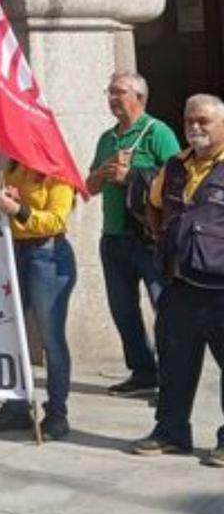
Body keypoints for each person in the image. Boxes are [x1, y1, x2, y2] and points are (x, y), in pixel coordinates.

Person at [130, 94, 224, 467]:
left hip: (221, 289)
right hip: (179, 285)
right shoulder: (175, 165)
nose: (195, 128)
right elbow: (154, 206)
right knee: (174, 365)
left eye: (204, 121)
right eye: (189, 121)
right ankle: (170, 433)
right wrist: (166, 241)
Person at [87, 72, 180, 397]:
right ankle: (142, 373)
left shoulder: (158, 132)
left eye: (118, 92)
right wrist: (103, 170)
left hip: (148, 239)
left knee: (164, 308)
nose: (112, 98)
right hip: (112, 238)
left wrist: (131, 177)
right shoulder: (107, 139)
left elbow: (177, 184)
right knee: (123, 310)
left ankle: (173, 378)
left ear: (139, 97)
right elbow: (88, 188)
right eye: (109, 91)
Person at [0, 161, 77, 440]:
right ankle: (17, 405)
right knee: (14, 333)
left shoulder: (58, 173)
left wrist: (19, 209)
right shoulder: (13, 168)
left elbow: (57, 219)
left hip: (48, 254)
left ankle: (57, 413)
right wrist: (8, 200)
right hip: (16, 251)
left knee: (51, 339)